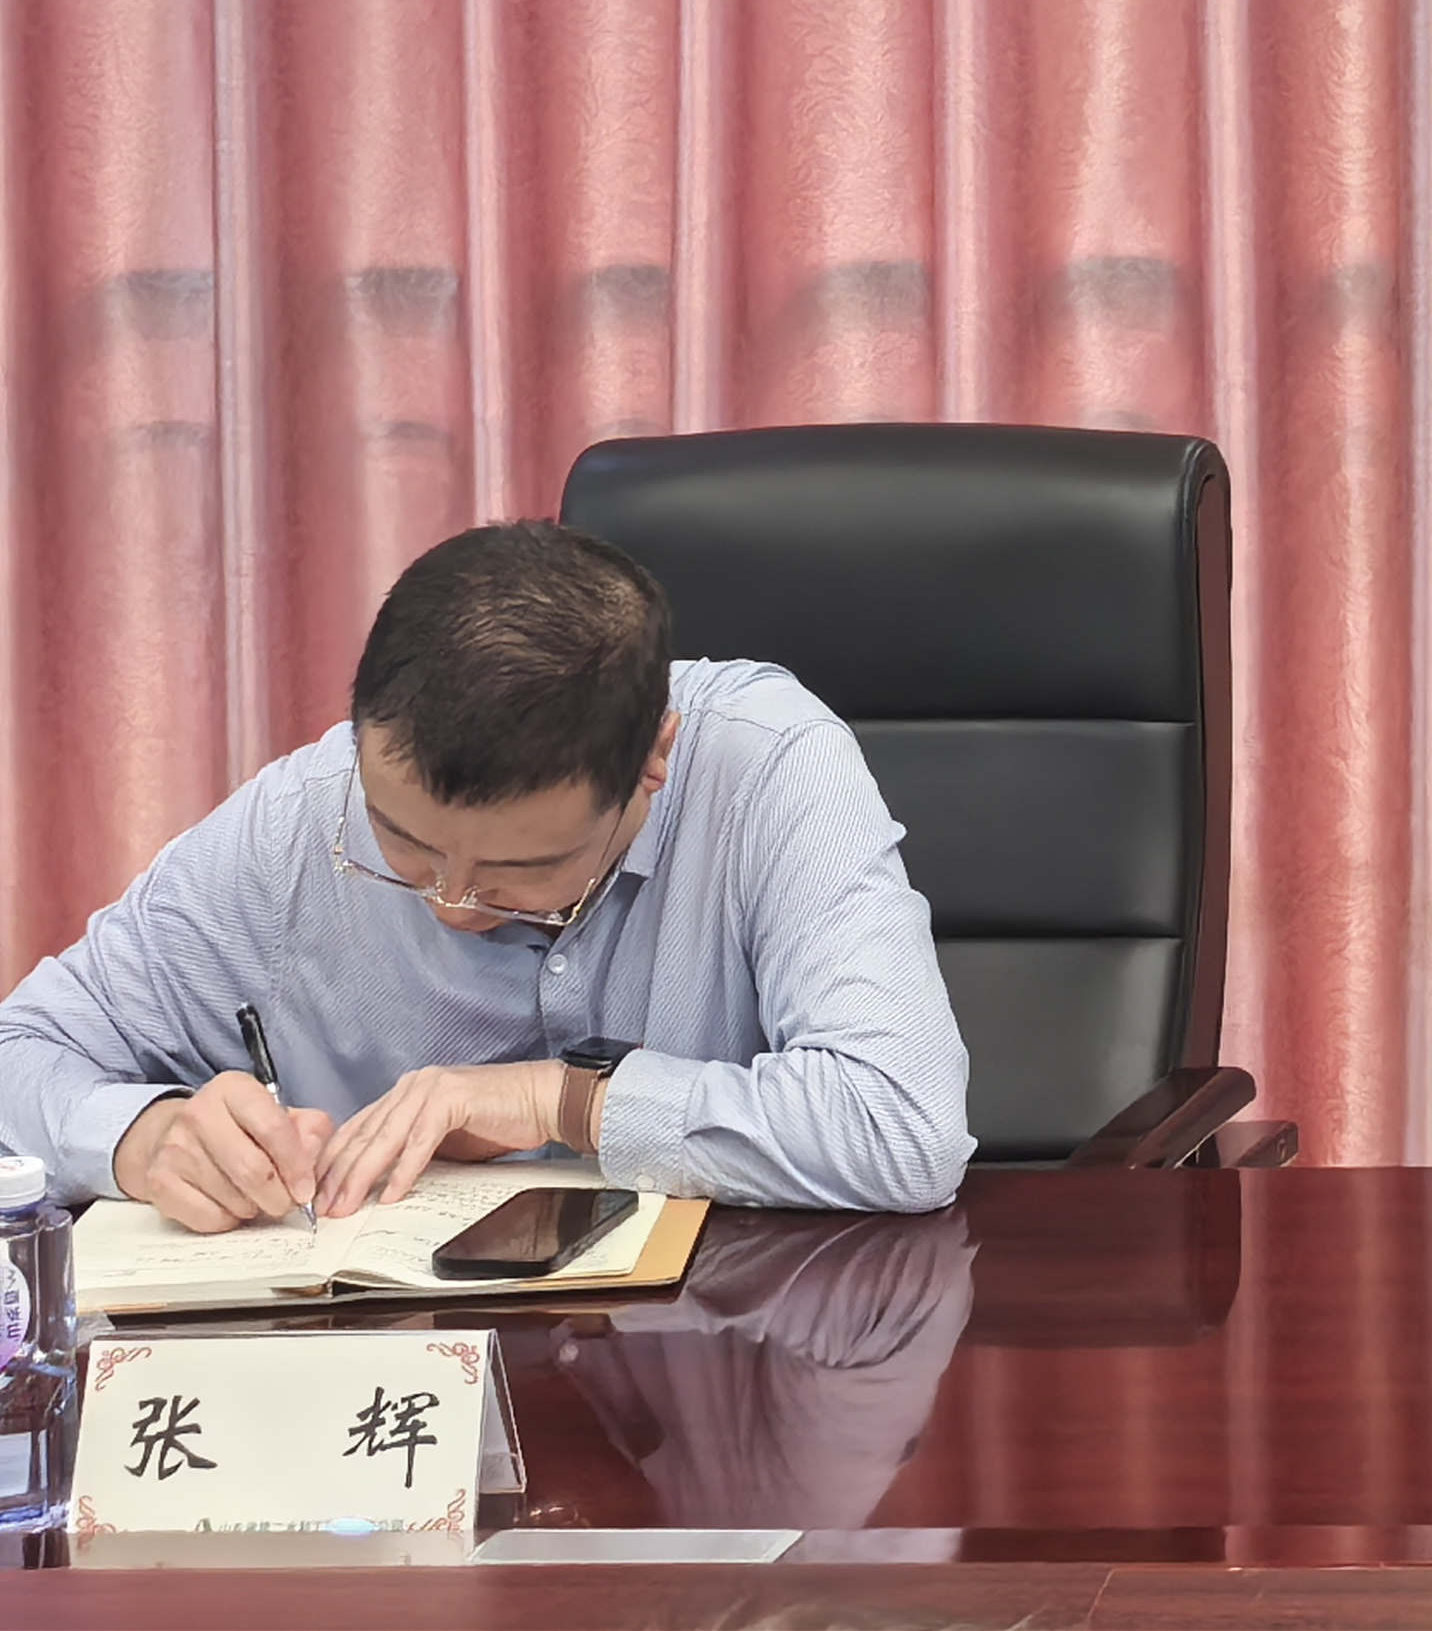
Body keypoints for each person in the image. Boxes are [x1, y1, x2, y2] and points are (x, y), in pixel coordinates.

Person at [0, 520, 972, 1231]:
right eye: (403, 845)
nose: (451, 904)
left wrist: (557, 1101)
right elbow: (23, 1050)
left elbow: (901, 1125)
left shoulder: (765, 769)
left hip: (718, 1368)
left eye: (519, 870)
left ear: (653, 759)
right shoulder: (300, 818)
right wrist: (142, 1137)